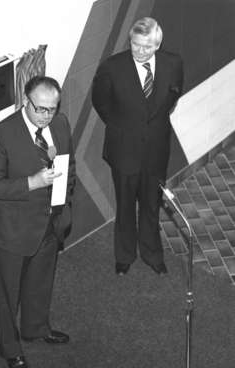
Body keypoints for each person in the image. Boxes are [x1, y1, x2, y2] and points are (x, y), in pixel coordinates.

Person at [0, 76, 76, 368]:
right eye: (40, 109)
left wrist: (64, 204)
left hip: (50, 223)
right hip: (12, 230)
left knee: (40, 282)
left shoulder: (60, 124)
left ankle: (36, 328)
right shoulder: (2, 134)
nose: (47, 116)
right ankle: (11, 351)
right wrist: (32, 183)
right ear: (26, 101)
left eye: (52, 109)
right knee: (9, 294)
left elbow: (69, 166)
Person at [92, 17, 183, 276]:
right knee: (124, 205)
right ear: (130, 40)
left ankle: (153, 254)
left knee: (151, 204)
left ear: (157, 45)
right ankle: (124, 256)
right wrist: (125, 127)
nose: (140, 51)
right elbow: (101, 103)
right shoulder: (111, 67)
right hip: (124, 150)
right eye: (135, 44)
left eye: (147, 47)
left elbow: (174, 94)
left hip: (156, 150)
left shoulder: (173, 63)